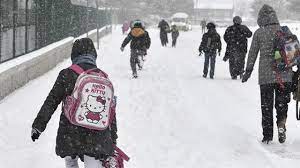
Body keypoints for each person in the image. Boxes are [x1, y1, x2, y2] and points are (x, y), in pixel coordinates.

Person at [31, 38, 118, 168]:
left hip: (70, 133)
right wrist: (113, 138)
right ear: (93, 55)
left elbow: (52, 101)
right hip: (96, 135)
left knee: (71, 162)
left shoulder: (66, 74)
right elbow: (110, 111)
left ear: (74, 55)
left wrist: (38, 125)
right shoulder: (102, 77)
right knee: (93, 162)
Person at [242, 5, 293, 144]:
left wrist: (248, 71)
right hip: (285, 75)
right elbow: (293, 53)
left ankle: (267, 135)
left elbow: (252, 53)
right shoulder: (284, 31)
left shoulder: (259, 32)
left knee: (267, 106)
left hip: (266, 76)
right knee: (282, 104)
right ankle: (281, 125)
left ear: (261, 18)